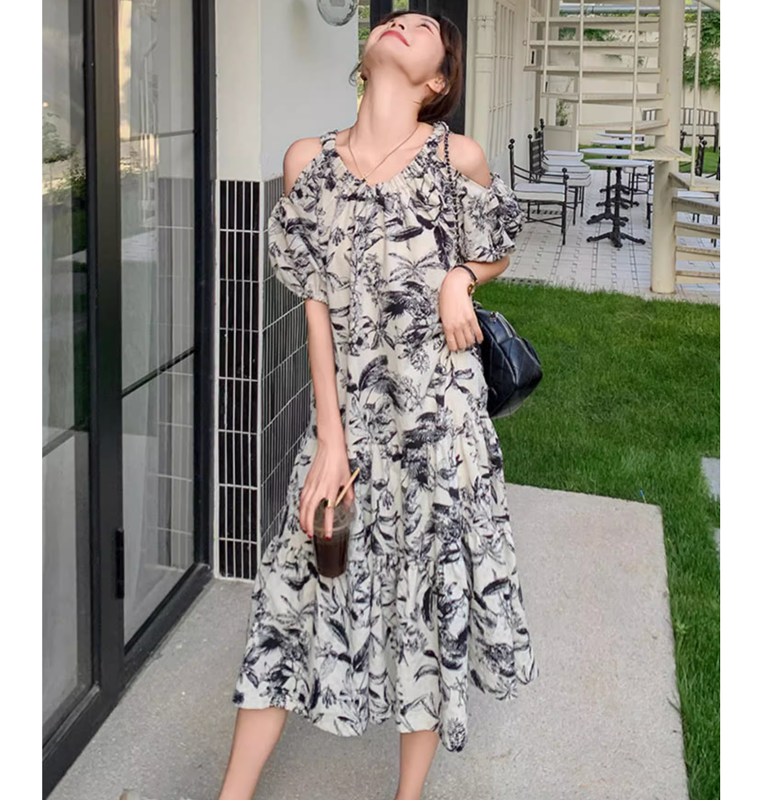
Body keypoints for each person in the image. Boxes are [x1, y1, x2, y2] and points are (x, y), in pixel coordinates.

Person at [221, 10, 538, 800]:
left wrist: (461, 278)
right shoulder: (308, 162)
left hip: (440, 427)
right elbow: (315, 305)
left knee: (426, 608)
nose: (403, 22)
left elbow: (495, 246)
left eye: (424, 27)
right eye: (396, 17)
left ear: (437, 81)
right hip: (350, 425)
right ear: (365, 60)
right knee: (290, 591)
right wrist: (329, 437)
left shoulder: (456, 157)